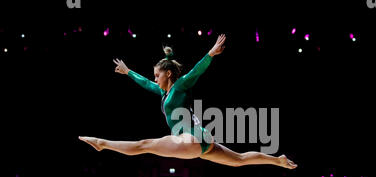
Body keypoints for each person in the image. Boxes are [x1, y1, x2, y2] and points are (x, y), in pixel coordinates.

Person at [79, 34, 297, 169]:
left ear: (168, 75)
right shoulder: (166, 93)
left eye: (158, 75)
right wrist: (128, 72)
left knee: (143, 145)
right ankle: (277, 159)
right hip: (202, 140)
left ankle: (102, 144)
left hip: (189, 139)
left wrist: (210, 54)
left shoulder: (180, 85)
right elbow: (146, 83)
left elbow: (195, 72)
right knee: (239, 159)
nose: (155, 79)